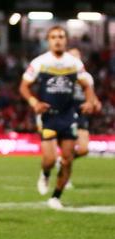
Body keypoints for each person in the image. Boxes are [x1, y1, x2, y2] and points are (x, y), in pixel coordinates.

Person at [19, 27, 99, 209]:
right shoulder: (40, 62)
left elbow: (87, 84)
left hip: (68, 116)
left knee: (68, 159)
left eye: (61, 37)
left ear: (66, 40)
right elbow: (24, 86)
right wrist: (34, 102)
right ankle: (45, 173)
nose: (57, 40)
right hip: (48, 116)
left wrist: (89, 101)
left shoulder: (74, 63)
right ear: (48, 40)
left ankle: (55, 197)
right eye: (53, 37)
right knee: (49, 159)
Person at [62, 48, 102, 188]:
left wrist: (95, 102)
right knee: (70, 146)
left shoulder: (87, 76)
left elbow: (90, 93)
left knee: (84, 149)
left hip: (82, 113)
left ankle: (63, 161)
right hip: (68, 112)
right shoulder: (63, 74)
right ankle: (66, 179)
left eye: (77, 56)